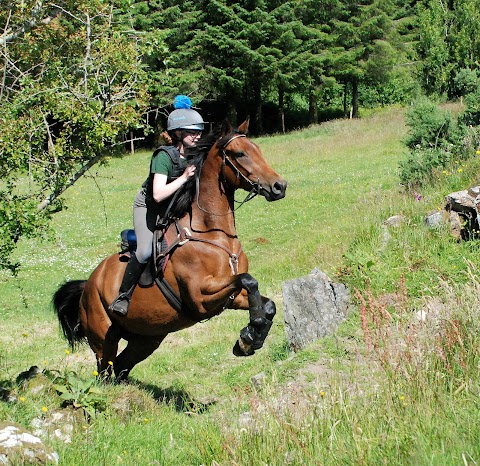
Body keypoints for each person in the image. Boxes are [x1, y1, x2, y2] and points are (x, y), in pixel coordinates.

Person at [109, 95, 205, 316]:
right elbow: (158, 194)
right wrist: (183, 177)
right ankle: (123, 297)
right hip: (149, 206)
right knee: (144, 252)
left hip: (173, 208)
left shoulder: (194, 155)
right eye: (192, 131)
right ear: (178, 133)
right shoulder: (162, 156)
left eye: (199, 131)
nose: (197, 135)